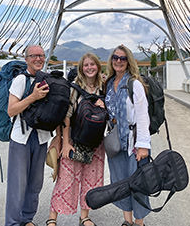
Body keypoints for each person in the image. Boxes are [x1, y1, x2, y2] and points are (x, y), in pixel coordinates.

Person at [47, 53, 105, 226]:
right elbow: (66, 117)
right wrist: (65, 143)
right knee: (65, 179)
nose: (89, 68)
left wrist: (105, 106)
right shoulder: (75, 88)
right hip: (74, 140)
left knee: (91, 179)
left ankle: (84, 216)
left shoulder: (104, 88)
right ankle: (52, 217)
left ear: (98, 67)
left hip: (96, 143)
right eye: (86, 65)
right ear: (81, 68)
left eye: (92, 64)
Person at [104, 45, 151, 226]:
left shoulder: (134, 84)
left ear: (128, 61)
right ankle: (127, 221)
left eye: (123, 58)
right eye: (115, 57)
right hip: (115, 142)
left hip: (133, 142)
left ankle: (139, 222)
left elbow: (142, 115)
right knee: (120, 183)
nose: (118, 61)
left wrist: (143, 145)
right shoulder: (108, 84)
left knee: (138, 184)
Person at [5, 44, 51, 226]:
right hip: (21, 138)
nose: (38, 59)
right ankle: (13, 222)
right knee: (18, 184)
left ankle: (27, 218)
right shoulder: (20, 80)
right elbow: (11, 110)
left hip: (40, 137)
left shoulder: (47, 80)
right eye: (34, 56)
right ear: (26, 59)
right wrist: (33, 96)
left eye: (41, 55)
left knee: (35, 183)